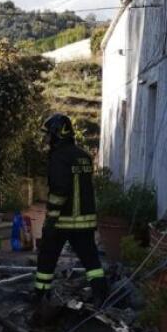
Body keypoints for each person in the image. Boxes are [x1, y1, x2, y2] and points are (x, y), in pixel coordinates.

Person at [33, 113, 109, 312]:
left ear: (58, 134)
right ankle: (101, 295)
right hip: (85, 221)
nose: (46, 139)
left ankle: (41, 296)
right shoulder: (84, 156)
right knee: (91, 260)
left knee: (47, 258)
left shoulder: (59, 157)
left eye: (48, 135)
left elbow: (59, 190)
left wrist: (50, 220)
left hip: (62, 221)